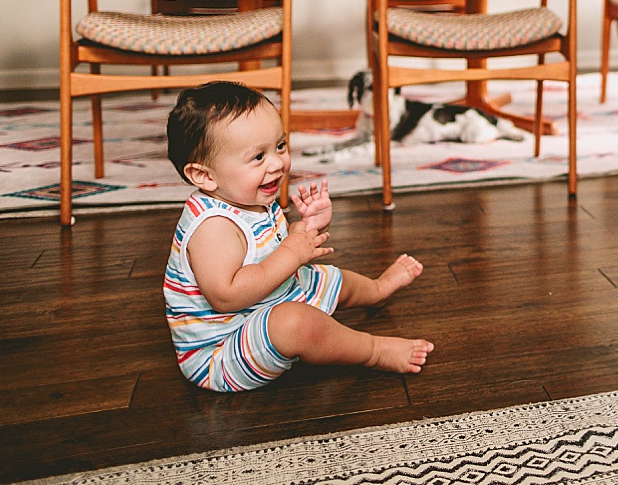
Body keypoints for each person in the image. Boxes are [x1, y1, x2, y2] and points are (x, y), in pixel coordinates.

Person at [163, 81, 434, 392]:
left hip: (265, 304)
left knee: (325, 277)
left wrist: (306, 227)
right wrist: (292, 253)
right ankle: (373, 351)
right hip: (224, 351)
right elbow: (226, 297)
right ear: (204, 176)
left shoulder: (244, 197)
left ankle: (376, 290)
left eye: (280, 146)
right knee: (295, 323)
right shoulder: (212, 227)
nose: (278, 163)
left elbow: (264, 252)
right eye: (257, 157)